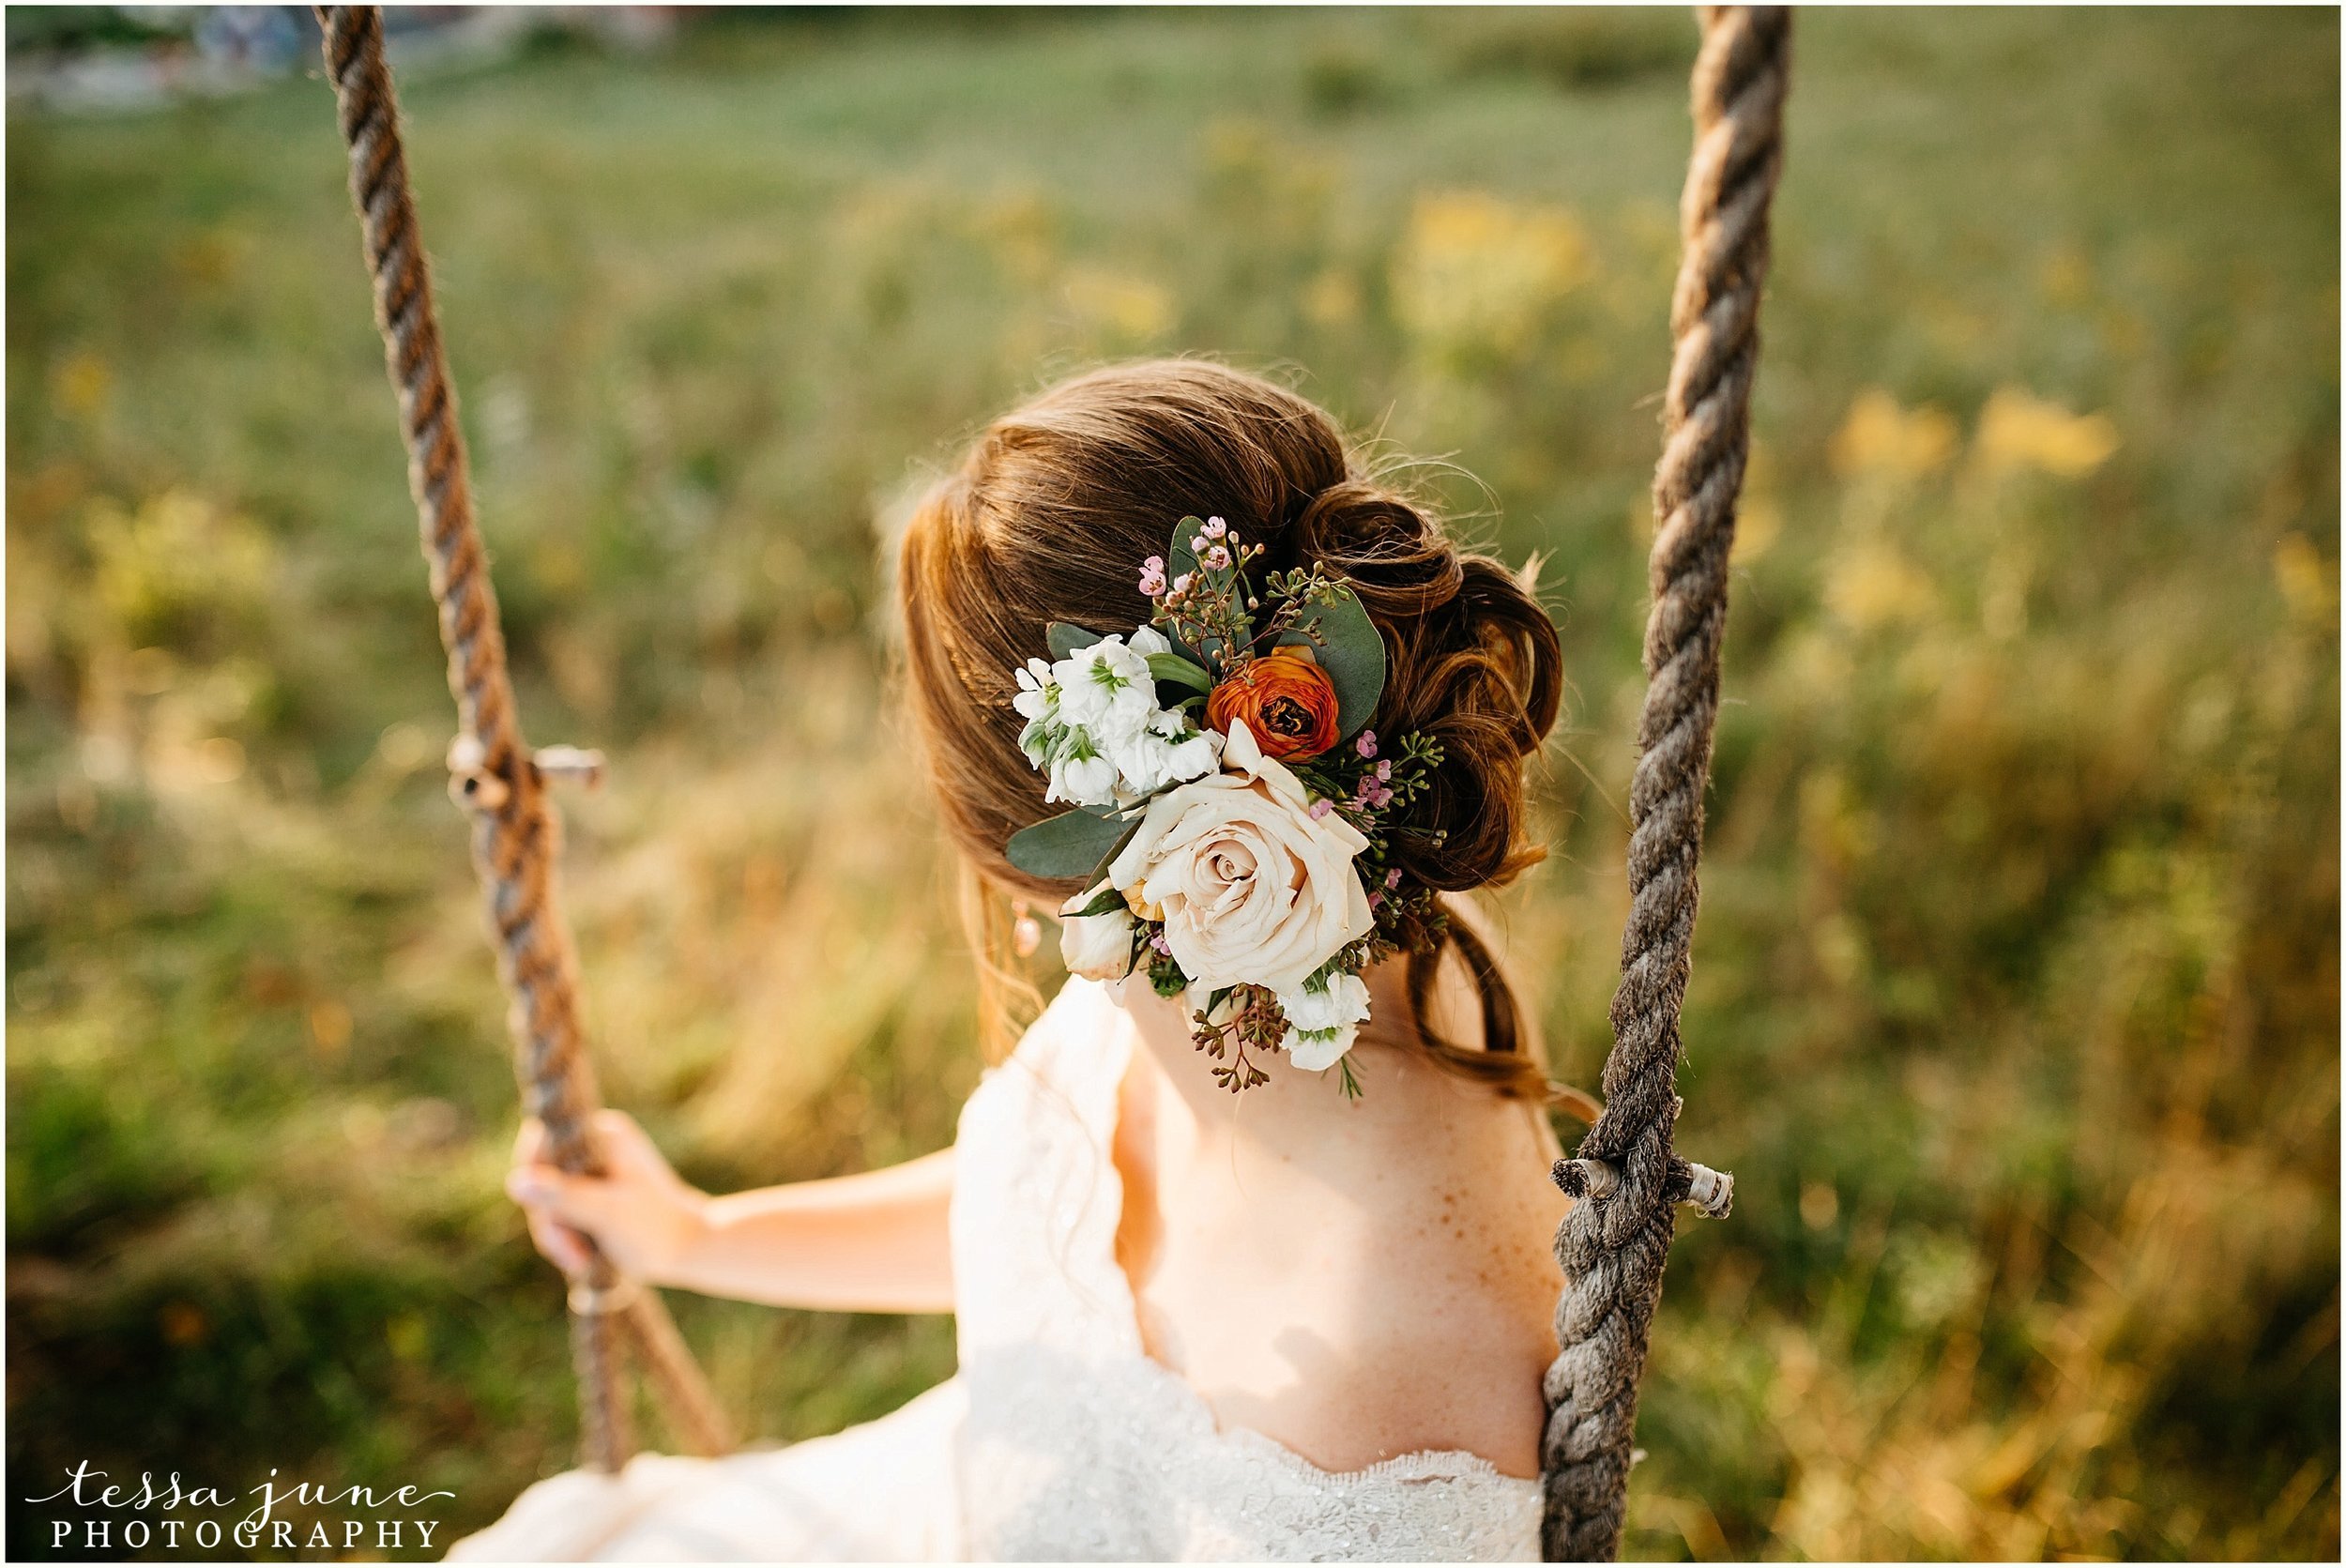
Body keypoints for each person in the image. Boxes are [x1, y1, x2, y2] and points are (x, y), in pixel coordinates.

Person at [451, 360, 1574, 1561]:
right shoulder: (1238, 940)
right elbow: (1044, 1220)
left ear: (1042, 831)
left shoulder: (1386, 1385)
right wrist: (698, 1237)